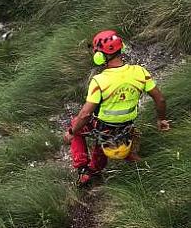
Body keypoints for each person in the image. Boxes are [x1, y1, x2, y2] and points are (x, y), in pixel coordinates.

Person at [63, 30, 170, 186]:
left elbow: (85, 114)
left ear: (100, 57)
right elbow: (160, 99)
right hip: (126, 127)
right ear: (122, 49)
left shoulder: (99, 80)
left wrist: (71, 133)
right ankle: (95, 168)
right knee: (105, 135)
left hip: (103, 127)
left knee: (76, 126)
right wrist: (161, 120)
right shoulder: (140, 72)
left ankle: (82, 168)